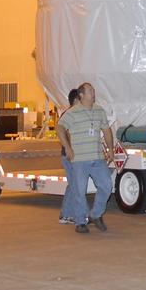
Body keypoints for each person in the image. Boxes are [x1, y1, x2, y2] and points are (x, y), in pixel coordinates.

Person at [57, 82, 114, 234]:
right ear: (81, 95)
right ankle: (80, 222)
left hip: (98, 158)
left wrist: (111, 149)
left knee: (107, 185)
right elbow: (60, 127)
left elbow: (107, 130)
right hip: (79, 160)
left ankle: (95, 214)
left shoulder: (99, 110)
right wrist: (67, 147)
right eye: (90, 91)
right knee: (79, 190)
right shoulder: (72, 112)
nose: (93, 93)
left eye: (93, 91)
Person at [58, 88, 81, 223]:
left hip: (71, 154)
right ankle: (66, 214)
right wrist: (70, 150)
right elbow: (67, 134)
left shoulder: (70, 113)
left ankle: (68, 214)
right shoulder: (69, 114)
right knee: (74, 185)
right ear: (76, 100)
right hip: (69, 155)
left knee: (73, 184)